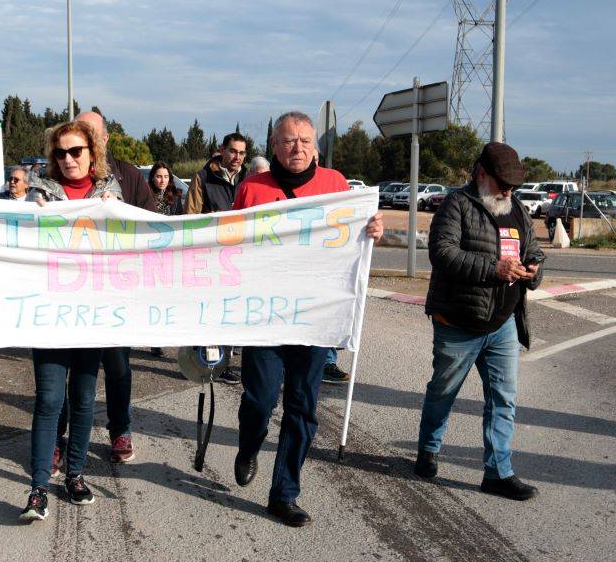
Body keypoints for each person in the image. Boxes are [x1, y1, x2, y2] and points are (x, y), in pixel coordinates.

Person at [232, 111, 383, 526]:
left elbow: (355, 235)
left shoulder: (337, 186)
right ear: (273, 146)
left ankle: (285, 493)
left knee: (303, 407)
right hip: (264, 317)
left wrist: (371, 229)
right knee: (259, 400)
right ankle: (248, 445)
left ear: (315, 145)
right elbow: (227, 246)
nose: (296, 148)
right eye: (287, 140)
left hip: (316, 319)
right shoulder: (252, 188)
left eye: (304, 140)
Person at [413, 142, 545, 502]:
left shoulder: (517, 209)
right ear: (481, 173)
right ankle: (428, 449)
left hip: (503, 323)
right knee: (443, 392)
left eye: (513, 185)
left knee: (503, 399)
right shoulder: (457, 205)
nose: (508, 191)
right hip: (458, 321)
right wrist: (493, 269)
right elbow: (442, 253)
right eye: (503, 183)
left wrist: (533, 271)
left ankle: (498, 473)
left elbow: (534, 251)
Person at [19, 120, 123, 521]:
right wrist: (34, 215)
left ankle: (75, 475)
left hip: (92, 312)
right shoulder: (40, 193)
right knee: (48, 400)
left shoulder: (109, 193)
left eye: (76, 151)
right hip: (50, 312)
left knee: (82, 399)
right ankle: (38, 487)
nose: (68, 159)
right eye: (60, 152)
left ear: (92, 153)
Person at [70, 110, 155, 464]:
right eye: (79, 131)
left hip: (118, 291)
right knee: (72, 370)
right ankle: (66, 436)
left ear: (105, 139)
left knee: (118, 367)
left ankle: (120, 429)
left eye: (91, 132)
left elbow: (153, 225)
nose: (85, 138)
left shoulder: (130, 176)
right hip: (72, 290)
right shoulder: (60, 175)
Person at [187, 132, 250, 383]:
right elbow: (191, 218)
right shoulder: (203, 177)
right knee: (210, 309)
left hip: (241, 256)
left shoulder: (250, 179)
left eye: (242, 153)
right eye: (233, 151)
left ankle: (224, 362)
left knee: (231, 309)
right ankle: (204, 361)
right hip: (211, 256)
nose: (237, 157)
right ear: (222, 150)